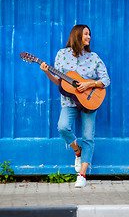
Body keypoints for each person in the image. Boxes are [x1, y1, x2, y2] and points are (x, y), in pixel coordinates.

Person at [40, 24, 110, 188]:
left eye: (89, 34)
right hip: (69, 102)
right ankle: (77, 150)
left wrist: (89, 84)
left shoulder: (93, 57)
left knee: (88, 137)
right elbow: (59, 81)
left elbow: (106, 80)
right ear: (77, 35)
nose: (89, 37)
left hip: (90, 101)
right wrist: (46, 71)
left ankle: (82, 174)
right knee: (62, 127)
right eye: (86, 34)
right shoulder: (62, 55)